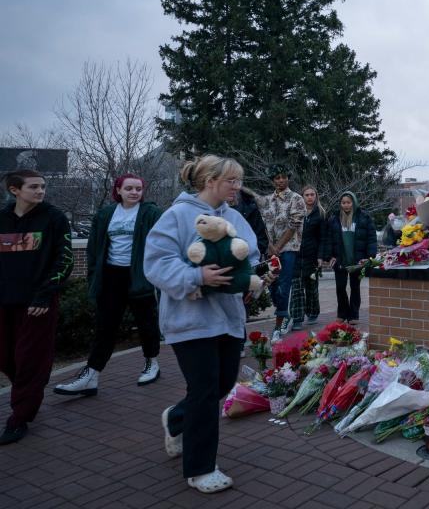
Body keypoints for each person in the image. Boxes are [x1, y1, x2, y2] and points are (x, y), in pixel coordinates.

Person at [144, 155, 263, 494]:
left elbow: (249, 255)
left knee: (222, 384)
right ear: (210, 181)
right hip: (190, 320)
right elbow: (156, 263)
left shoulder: (236, 217)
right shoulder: (176, 216)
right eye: (232, 181)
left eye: (239, 180)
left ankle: (177, 419)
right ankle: (200, 469)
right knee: (205, 390)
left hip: (227, 319)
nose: (238, 187)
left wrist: (250, 280)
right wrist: (197, 276)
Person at [54, 173, 163, 397]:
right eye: (129, 188)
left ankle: (152, 363)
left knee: (146, 322)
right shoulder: (106, 214)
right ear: (119, 190)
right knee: (106, 326)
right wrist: (94, 276)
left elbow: (165, 240)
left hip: (139, 275)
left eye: (138, 189)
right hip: (112, 276)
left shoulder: (150, 213)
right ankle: (91, 375)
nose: (134, 192)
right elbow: (94, 248)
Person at [0, 169, 73, 445]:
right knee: (7, 357)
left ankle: (19, 418)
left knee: (31, 359)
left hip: (38, 304)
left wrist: (44, 295)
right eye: (34, 187)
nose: (41, 191)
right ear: (14, 190)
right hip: (5, 302)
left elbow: (64, 260)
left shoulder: (53, 218)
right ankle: (29, 391)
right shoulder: (2, 219)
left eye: (43, 186)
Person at [246, 165, 306, 342]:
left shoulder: (296, 199)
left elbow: (294, 224)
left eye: (283, 177)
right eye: (277, 178)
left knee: (284, 284)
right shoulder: (267, 200)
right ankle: (283, 314)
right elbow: (263, 225)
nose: (280, 180)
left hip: (288, 249)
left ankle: (280, 322)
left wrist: (278, 247)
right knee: (271, 283)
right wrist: (270, 247)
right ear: (273, 180)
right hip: (271, 249)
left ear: (288, 178)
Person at [321, 191, 377, 326]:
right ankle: (342, 313)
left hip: (357, 260)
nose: (346, 205)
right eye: (343, 203)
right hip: (340, 259)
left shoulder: (363, 217)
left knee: (355, 287)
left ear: (354, 203)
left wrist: (369, 257)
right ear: (340, 204)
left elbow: (371, 238)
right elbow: (328, 239)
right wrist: (329, 257)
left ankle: (354, 314)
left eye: (348, 202)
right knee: (340, 288)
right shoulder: (334, 219)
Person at [289, 186, 325, 331]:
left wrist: (321, 256)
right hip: (296, 256)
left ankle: (312, 313)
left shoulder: (320, 214)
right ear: (302, 196)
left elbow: (323, 238)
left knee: (311, 288)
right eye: (307, 195)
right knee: (297, 288)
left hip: (312, 257)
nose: (310, 197)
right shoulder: (295, 212)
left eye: (312, 194)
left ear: (316, 196)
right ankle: (297, 318)